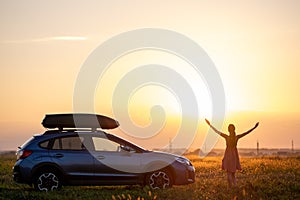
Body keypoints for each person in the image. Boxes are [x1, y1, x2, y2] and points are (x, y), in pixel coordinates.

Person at [205, 119, 259, 187]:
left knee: (229, 173)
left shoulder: (227, 137)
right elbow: (246, 132)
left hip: (228, 155)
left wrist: (209, 124)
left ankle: (231, 187)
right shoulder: (236, 137)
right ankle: (234, 187)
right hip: (234, 155)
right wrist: (254, 127)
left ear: (228, 130)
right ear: (234, 130)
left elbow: (216, 131)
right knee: (233, 173)